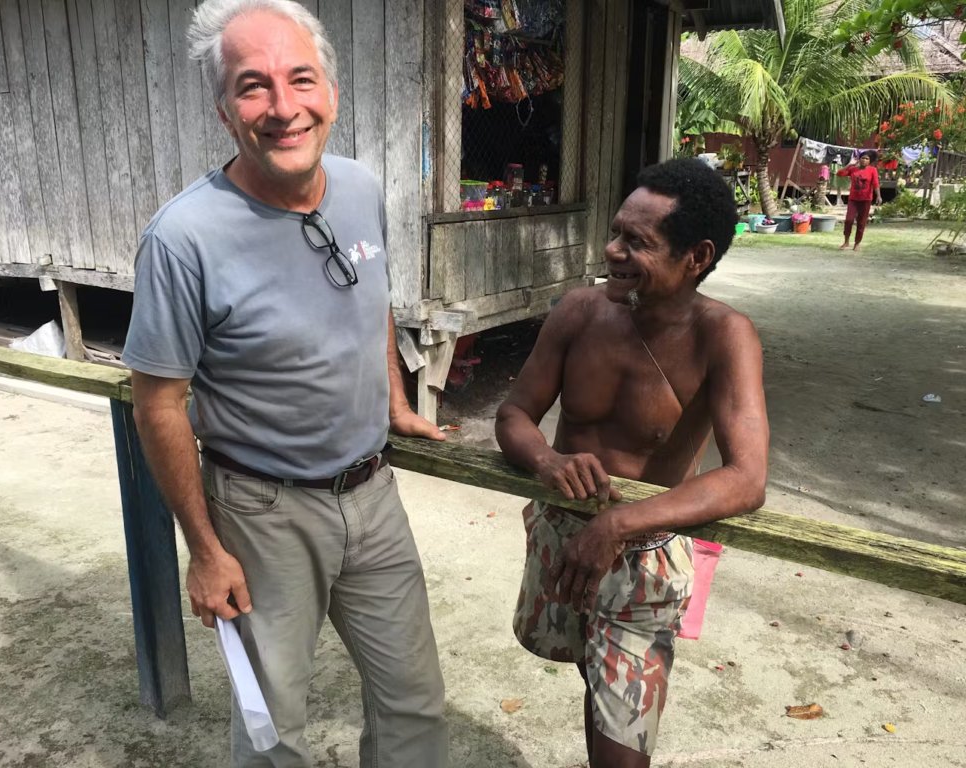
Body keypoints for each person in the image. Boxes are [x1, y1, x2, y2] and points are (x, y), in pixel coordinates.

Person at [120, 2, 448, 766]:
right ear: (225, 110)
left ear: (330, 90)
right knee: (275, 734)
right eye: (252, 86)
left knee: (414, 704)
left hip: (372, 495)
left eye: (300, 79)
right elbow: (158, 400)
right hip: (261, 511)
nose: (283, 106)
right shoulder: (182, 239)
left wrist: (395, 400)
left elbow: (375, 296)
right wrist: (203, 549)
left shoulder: (361, 186)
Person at [495, 159, 770, 768]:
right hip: (562, 537)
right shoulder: (579, 312)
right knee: (597, 686)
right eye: (616, 232)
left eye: (636, 242)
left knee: (626, 741)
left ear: (696, 257)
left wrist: (619, 523)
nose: (612, 250)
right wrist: (545, 459)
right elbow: (514, 413)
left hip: (642, 557)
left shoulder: (723, 336)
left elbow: (747, 477)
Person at [838, 150, 881, 250]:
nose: (864, 160)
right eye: (863, 158)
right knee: (849, 220)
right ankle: (846, 241)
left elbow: (875, 184)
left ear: (870, 161)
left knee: (861, 222)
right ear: (859, 159)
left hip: (866, 200)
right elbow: (839, 173)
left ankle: (857, 243)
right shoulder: (853, 169)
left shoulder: (872, 170)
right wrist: (849, 164)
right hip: (853, 199)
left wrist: (878, 196)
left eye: (867, 159)